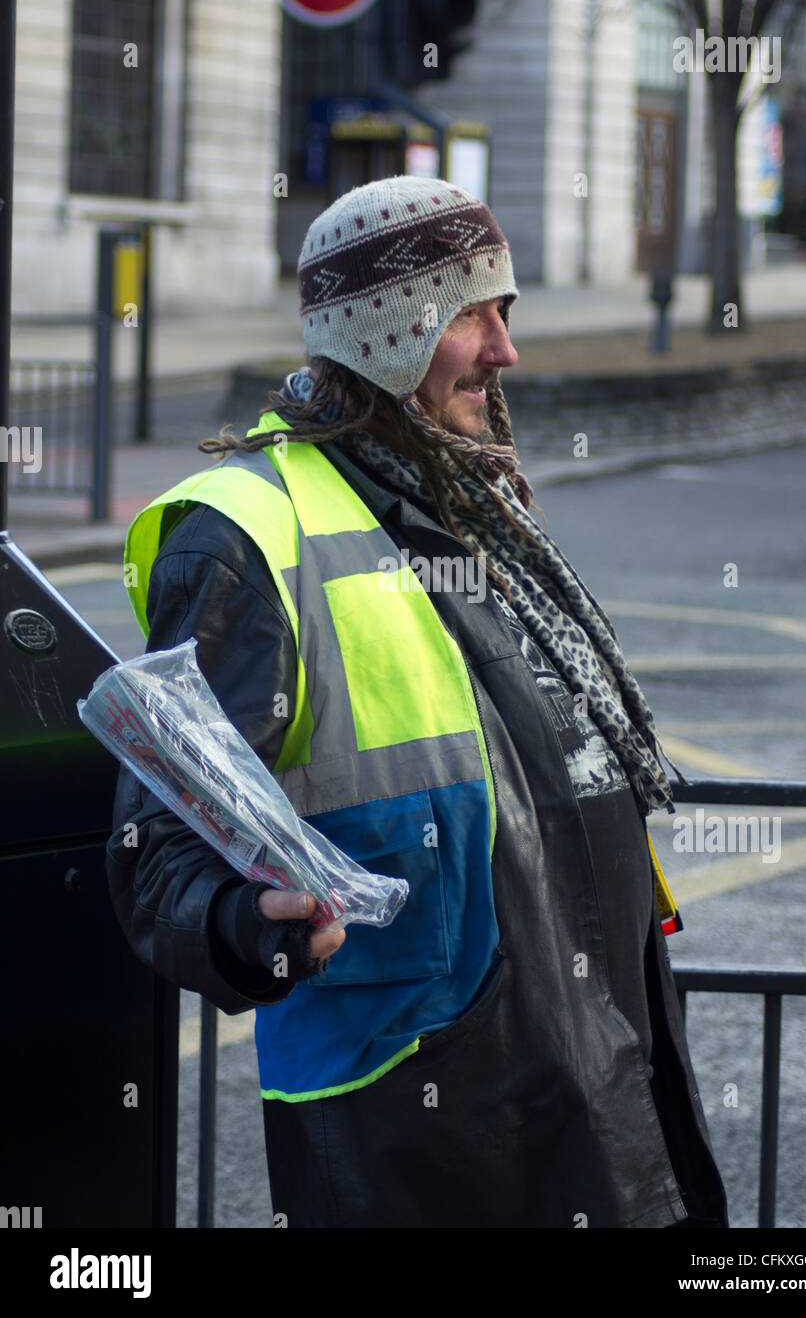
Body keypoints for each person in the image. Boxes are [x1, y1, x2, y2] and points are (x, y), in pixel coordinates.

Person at [109, 175, 728, 1229]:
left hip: (602, 1094)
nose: (504, 350)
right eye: (472, 313)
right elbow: (153, 850)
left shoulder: (469, 502)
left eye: (505, 311)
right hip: (428, 1141)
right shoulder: (252, 536)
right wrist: (240, 924)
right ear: (388, 330)